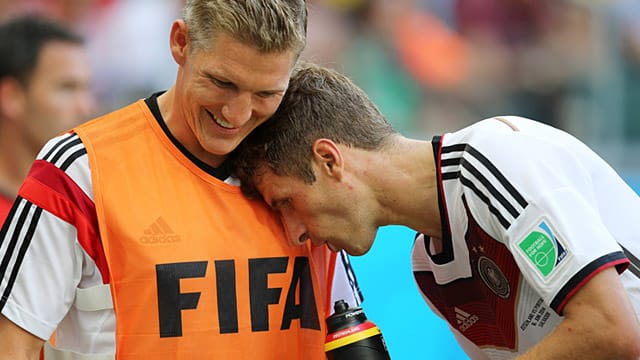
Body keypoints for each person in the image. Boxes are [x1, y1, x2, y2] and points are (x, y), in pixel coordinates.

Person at [0, 2, 363, 359]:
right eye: (222, 82)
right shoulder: (80, 170)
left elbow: (348, 331)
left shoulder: (307, 175)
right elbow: (12, 345)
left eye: (266, 93)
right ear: (180, 42)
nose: (236, 114)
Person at [231, 63, 640, 359]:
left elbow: (614, 330)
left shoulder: (493, 156)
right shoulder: (431, 271)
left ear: (329, 160)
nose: (295, 233)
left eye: (285, 202)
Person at [0, 15, 95, 221]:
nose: (86, 107)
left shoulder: (90, 205)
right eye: (67, 88)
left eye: (86, 88)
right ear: (11, 97)